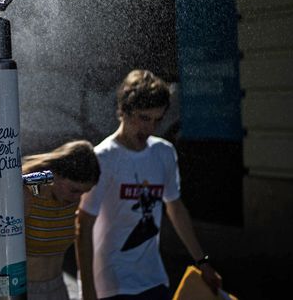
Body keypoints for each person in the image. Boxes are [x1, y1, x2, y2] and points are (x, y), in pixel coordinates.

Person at [76, 70, 222, 300]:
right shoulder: (103, 159)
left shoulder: (164, 153)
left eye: (157, 120)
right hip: (111, 285)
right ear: (123, 111)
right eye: (144, 118)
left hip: (154, 281)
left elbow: (175, 208)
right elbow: (83, 226)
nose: (150, 128)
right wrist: (87, 290)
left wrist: (202, 262)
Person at [22, 140, 101, 300]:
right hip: (23, 290)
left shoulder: (71, 200)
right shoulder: (26, 194)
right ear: (55, 174)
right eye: (74, 190)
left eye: (84, 192)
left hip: (58, 289)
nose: (78, 198)